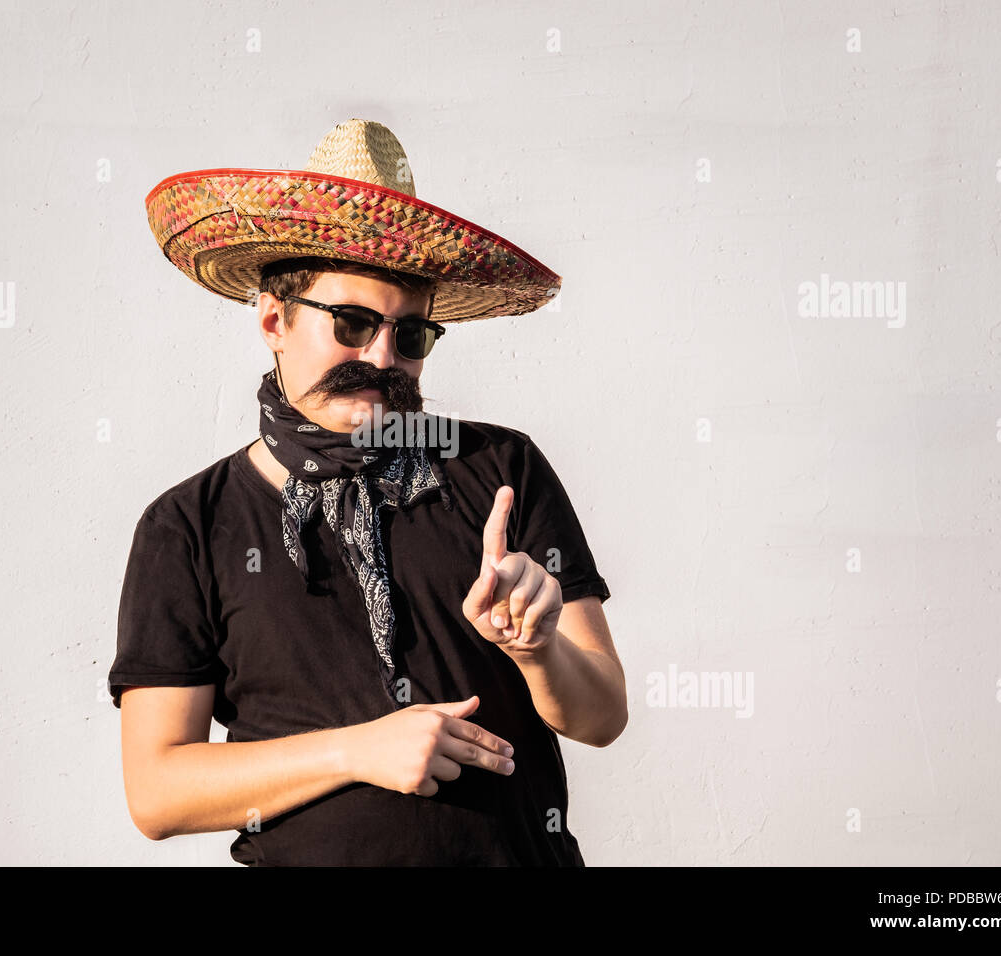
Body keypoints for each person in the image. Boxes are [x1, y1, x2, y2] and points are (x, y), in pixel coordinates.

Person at [109, 119, 627, 865]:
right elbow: (157, 791)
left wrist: (540, 648)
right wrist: (357, 753)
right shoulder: (188, 525)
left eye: (411, 334)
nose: (383, 357)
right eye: (352, 322)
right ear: (274, 320)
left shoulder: (500, 468)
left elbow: (602, 715)